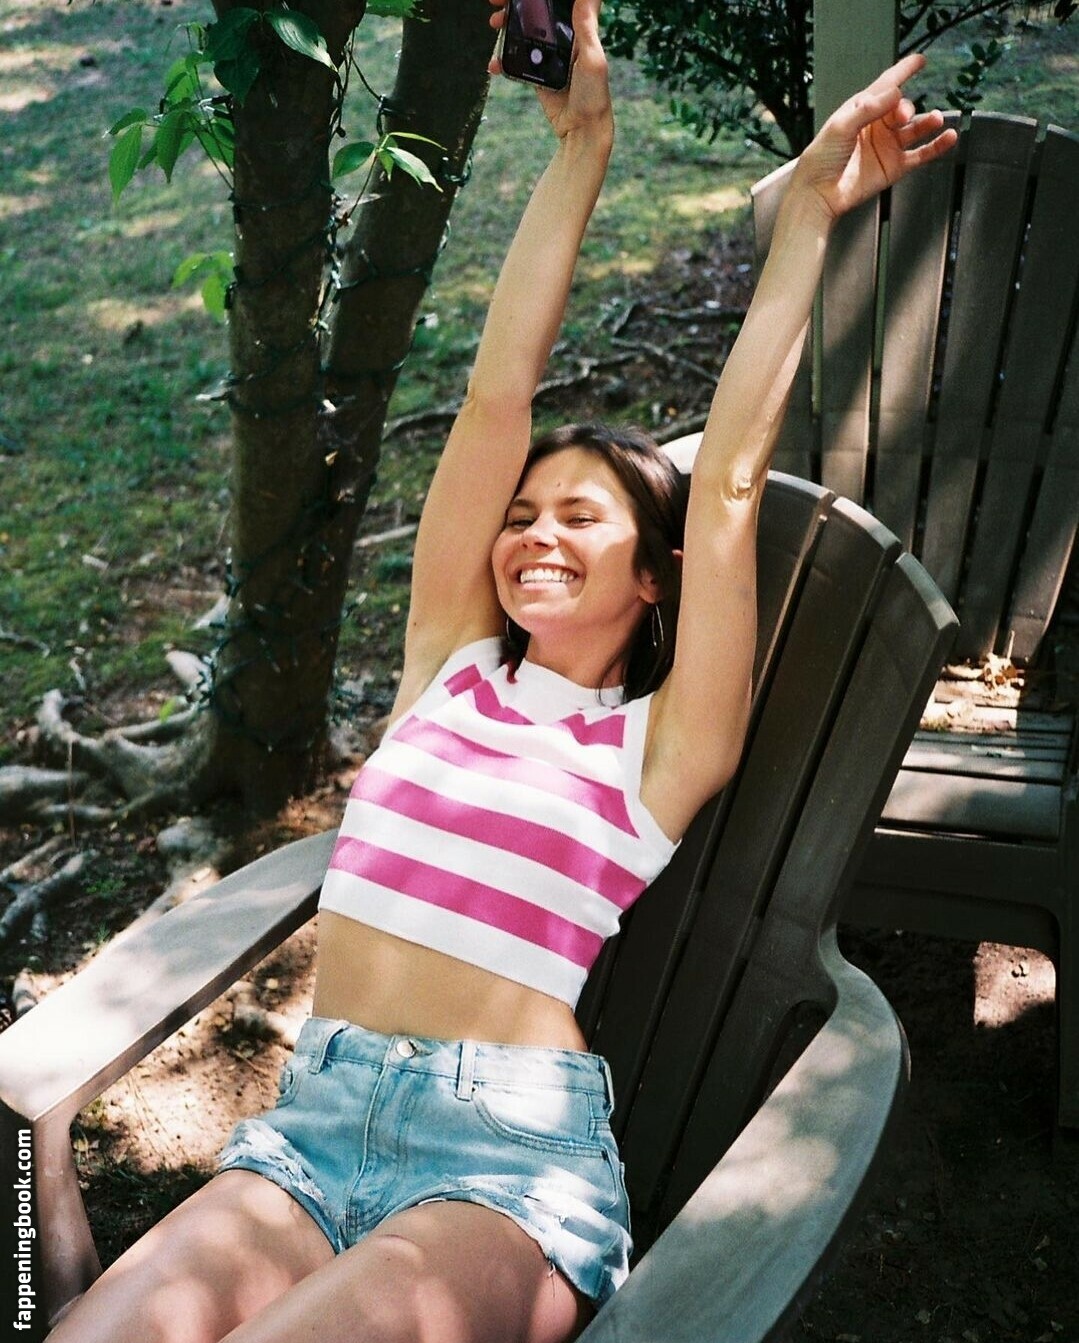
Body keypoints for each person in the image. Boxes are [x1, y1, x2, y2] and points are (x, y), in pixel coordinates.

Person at [49, 3, 956, 1341]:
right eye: (523, 515)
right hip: (311, 1133)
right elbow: (495, 393)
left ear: (653, 580)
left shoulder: (656, 753)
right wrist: (579, 148)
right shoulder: (450, 670)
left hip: (505, 1169)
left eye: (581, 518)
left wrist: (812, 210)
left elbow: (729, 487)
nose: (534, 534)